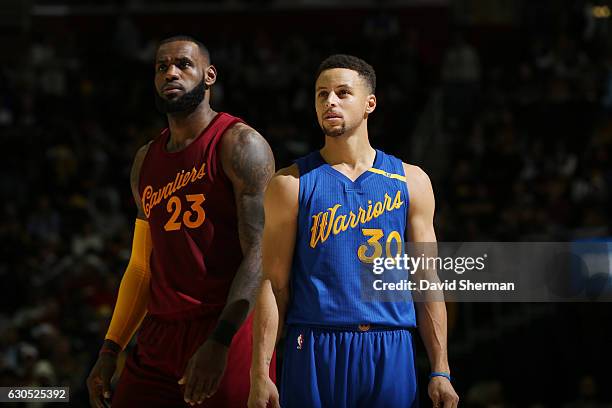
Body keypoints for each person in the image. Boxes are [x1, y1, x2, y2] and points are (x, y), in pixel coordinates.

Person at [248, 54, 459, 408]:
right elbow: (274, 283)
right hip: (314, 343)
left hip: (390, 344)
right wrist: (260, 373)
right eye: (321, 94)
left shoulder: (412, 180)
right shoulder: (290, 184)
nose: (329, 101)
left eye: (343, 93)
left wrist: (441, 369)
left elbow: (426, 280)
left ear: (369, 104)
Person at [86, 35, 275, 407]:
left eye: (184, 65)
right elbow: (141, 266)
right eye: (162, 67)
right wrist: (111, 348)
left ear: (209, 76)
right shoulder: (145, 160)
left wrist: (221, 340)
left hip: (225, 324)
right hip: (159, 333)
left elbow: (260, 251)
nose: (171, 72)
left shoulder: (240, 144)